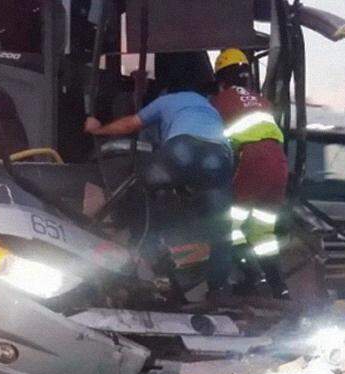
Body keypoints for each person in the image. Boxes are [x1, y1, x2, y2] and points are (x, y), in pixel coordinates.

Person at [83, 83, 234, 297]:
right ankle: (218, 289)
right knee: (222, 227)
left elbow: (130, 125)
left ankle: (143, 263)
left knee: (147, 193)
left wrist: (98, 129)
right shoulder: (208, 107)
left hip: (184, 147)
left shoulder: (166, 100)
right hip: (220, 155)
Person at [210, 48, 291, 299]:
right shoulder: (262, 101)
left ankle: (250, 278)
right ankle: (280, 289)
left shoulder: (219, 102)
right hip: (279, 163)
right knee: (263, 231)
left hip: (252, 160)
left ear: (221, 78)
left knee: (230, 226)